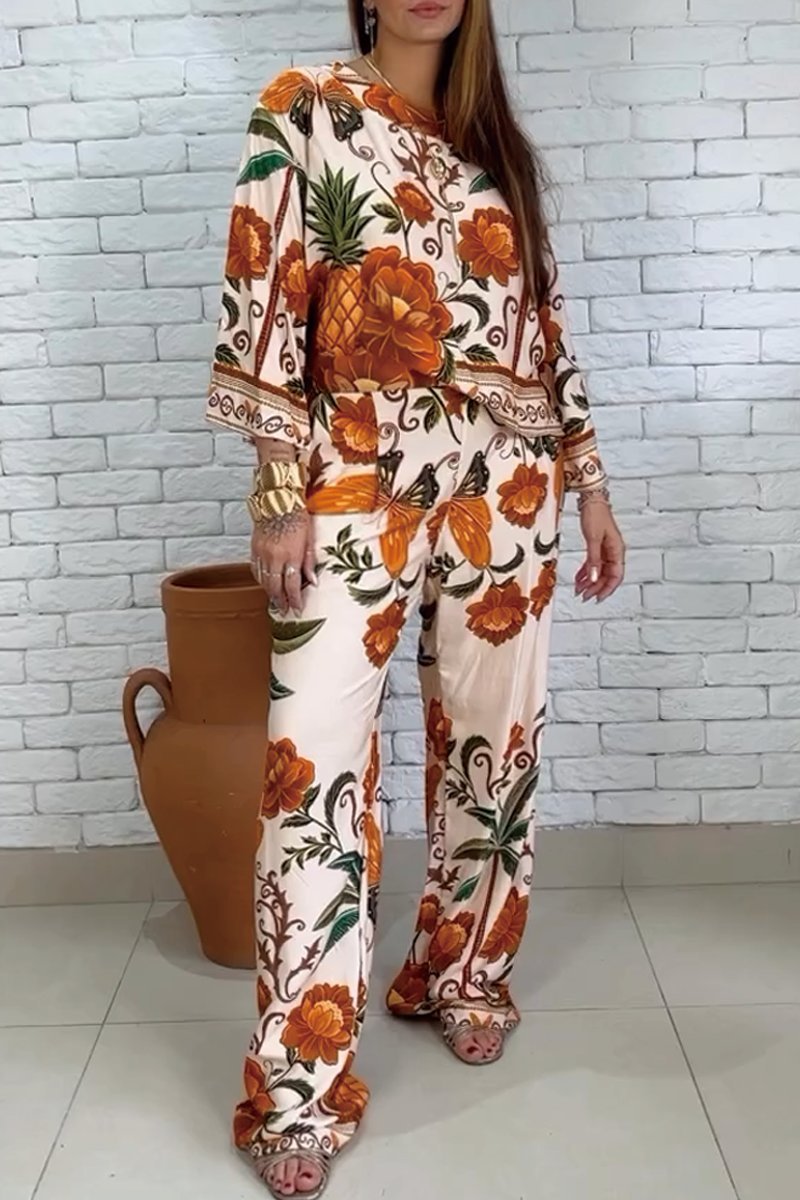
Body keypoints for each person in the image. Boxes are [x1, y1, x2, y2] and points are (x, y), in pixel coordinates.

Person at [206, 1, 626, 1195]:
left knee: (495, 741)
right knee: (311, 765)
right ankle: (298, 1081)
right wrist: (278, 489)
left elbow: (543, 327)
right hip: (353, 469)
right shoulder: (304, 107)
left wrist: (591, 483)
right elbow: (264, 292)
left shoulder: (497, 147)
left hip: (510, 481)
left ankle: (461, 970)